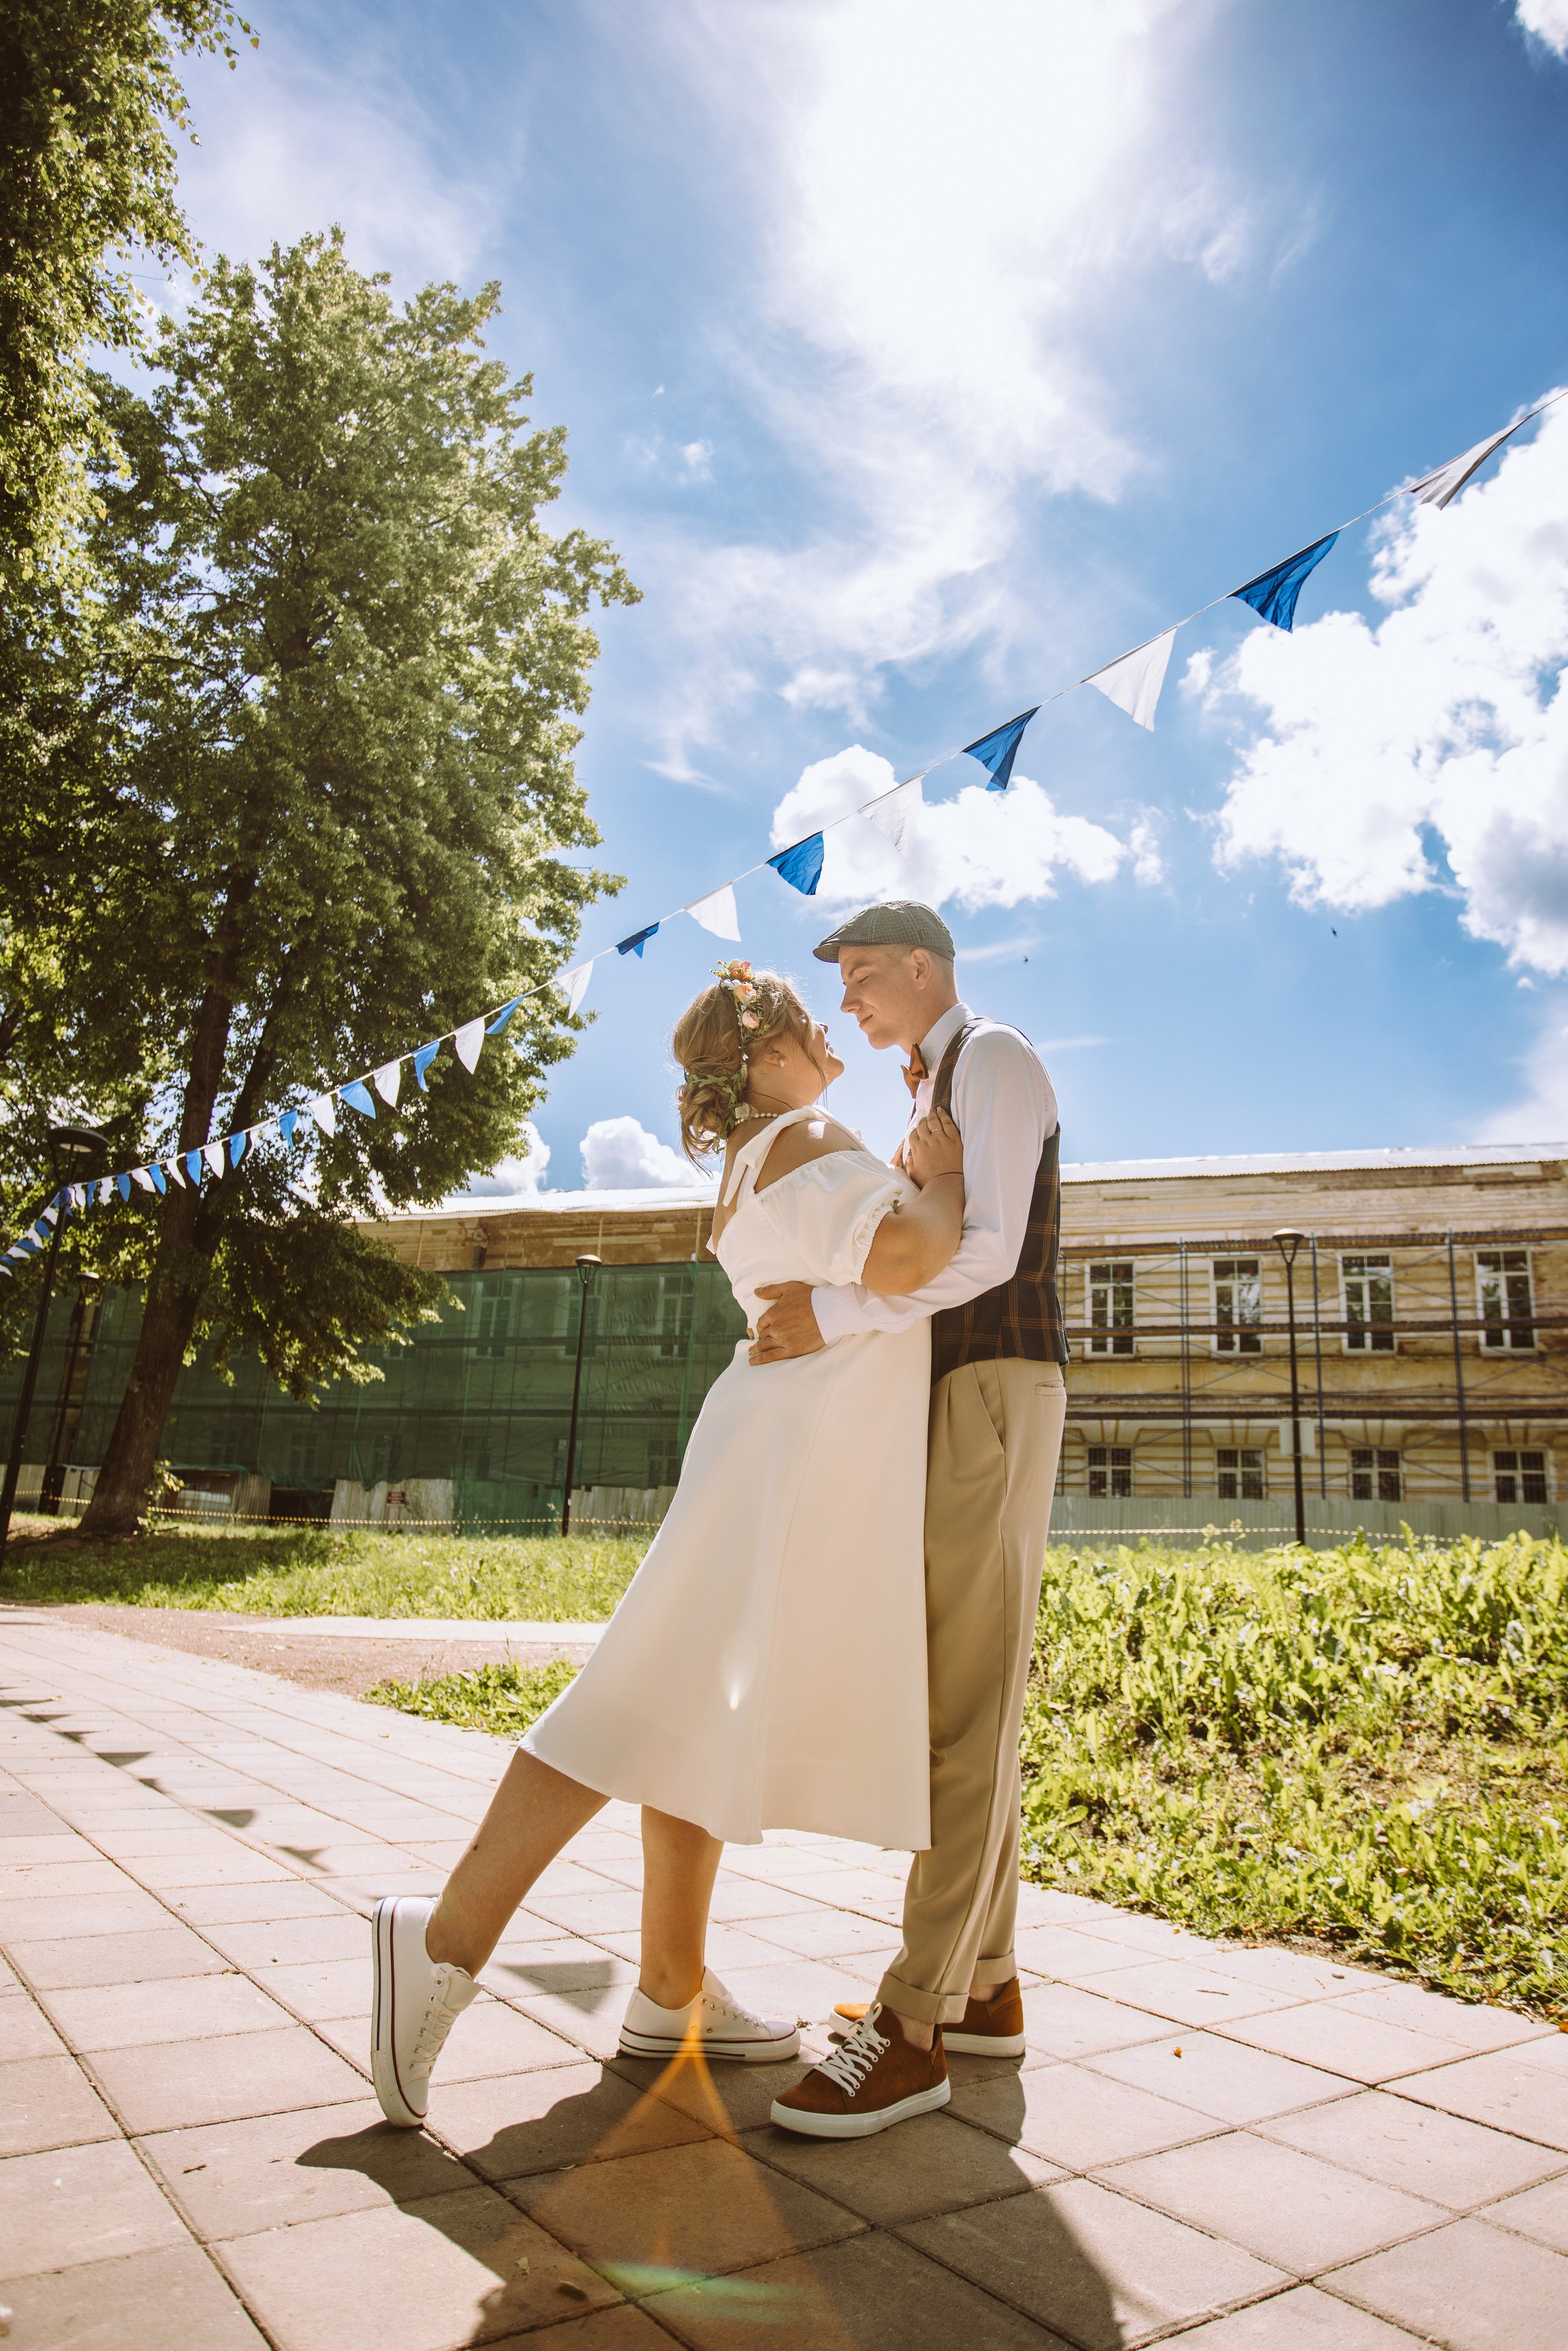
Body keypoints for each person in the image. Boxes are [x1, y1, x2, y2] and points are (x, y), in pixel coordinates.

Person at [369, 957, 967, 2132]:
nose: (833, 1036)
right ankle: (438, 1939)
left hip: (767, 1452)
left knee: (699, 1716)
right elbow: (907, 1258)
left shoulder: (750, 1169)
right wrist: (938, 1182)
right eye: (811, 1021)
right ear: (771, 1055)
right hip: (780, 1466)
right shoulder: (808, 1132)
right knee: (638, 1702)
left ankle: (672, 1992)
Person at [762, 901, 1068, 2142]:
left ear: (922, 965)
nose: (845, 1001)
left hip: (994, 1387)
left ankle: (913, 2021)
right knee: (958, 1691)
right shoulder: (936, 1081)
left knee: (964, 1709)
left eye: (861, 974)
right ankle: (983, 1985)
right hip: (959, 1396)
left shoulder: (988, 1055)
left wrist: (830, 1317)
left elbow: (987, 1250)